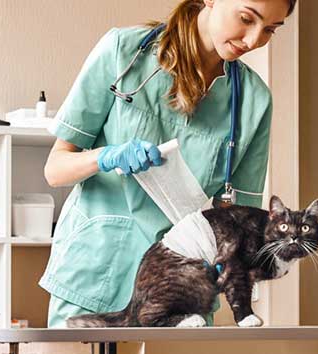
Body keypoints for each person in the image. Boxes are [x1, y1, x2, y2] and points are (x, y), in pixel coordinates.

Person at [40, 0, 297, 328]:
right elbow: (55, 169)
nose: (252, 40)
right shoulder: (123, 51)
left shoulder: (253, 100)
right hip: (98, 266)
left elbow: (242, 220)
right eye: (246, 18)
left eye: (270, 29)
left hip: (183, 285)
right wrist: (106, 156)